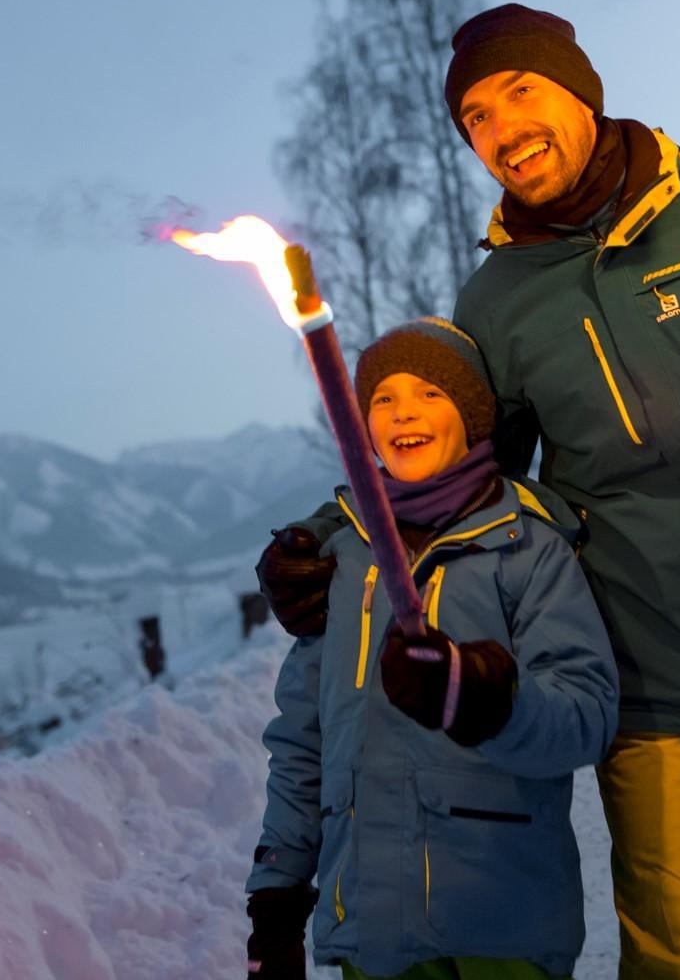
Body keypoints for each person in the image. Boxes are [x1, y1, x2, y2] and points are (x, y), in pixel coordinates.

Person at [257, 4, 680, 979]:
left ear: (579, 91)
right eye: (473, 119)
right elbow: (455, 488)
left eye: (517, 93)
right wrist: (329, 556)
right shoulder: (497, 302)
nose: (500, 130)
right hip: (647, 686)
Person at [244, 317, 619, 980]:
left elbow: (585, 716)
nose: (402, 412)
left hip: (499, 927)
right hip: (373, 933)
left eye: (428, 392)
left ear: (471, 415)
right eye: (382, 398)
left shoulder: (526, 546)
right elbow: (303, 742)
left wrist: (488, 701)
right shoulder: (340, 559)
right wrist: (276, 896)